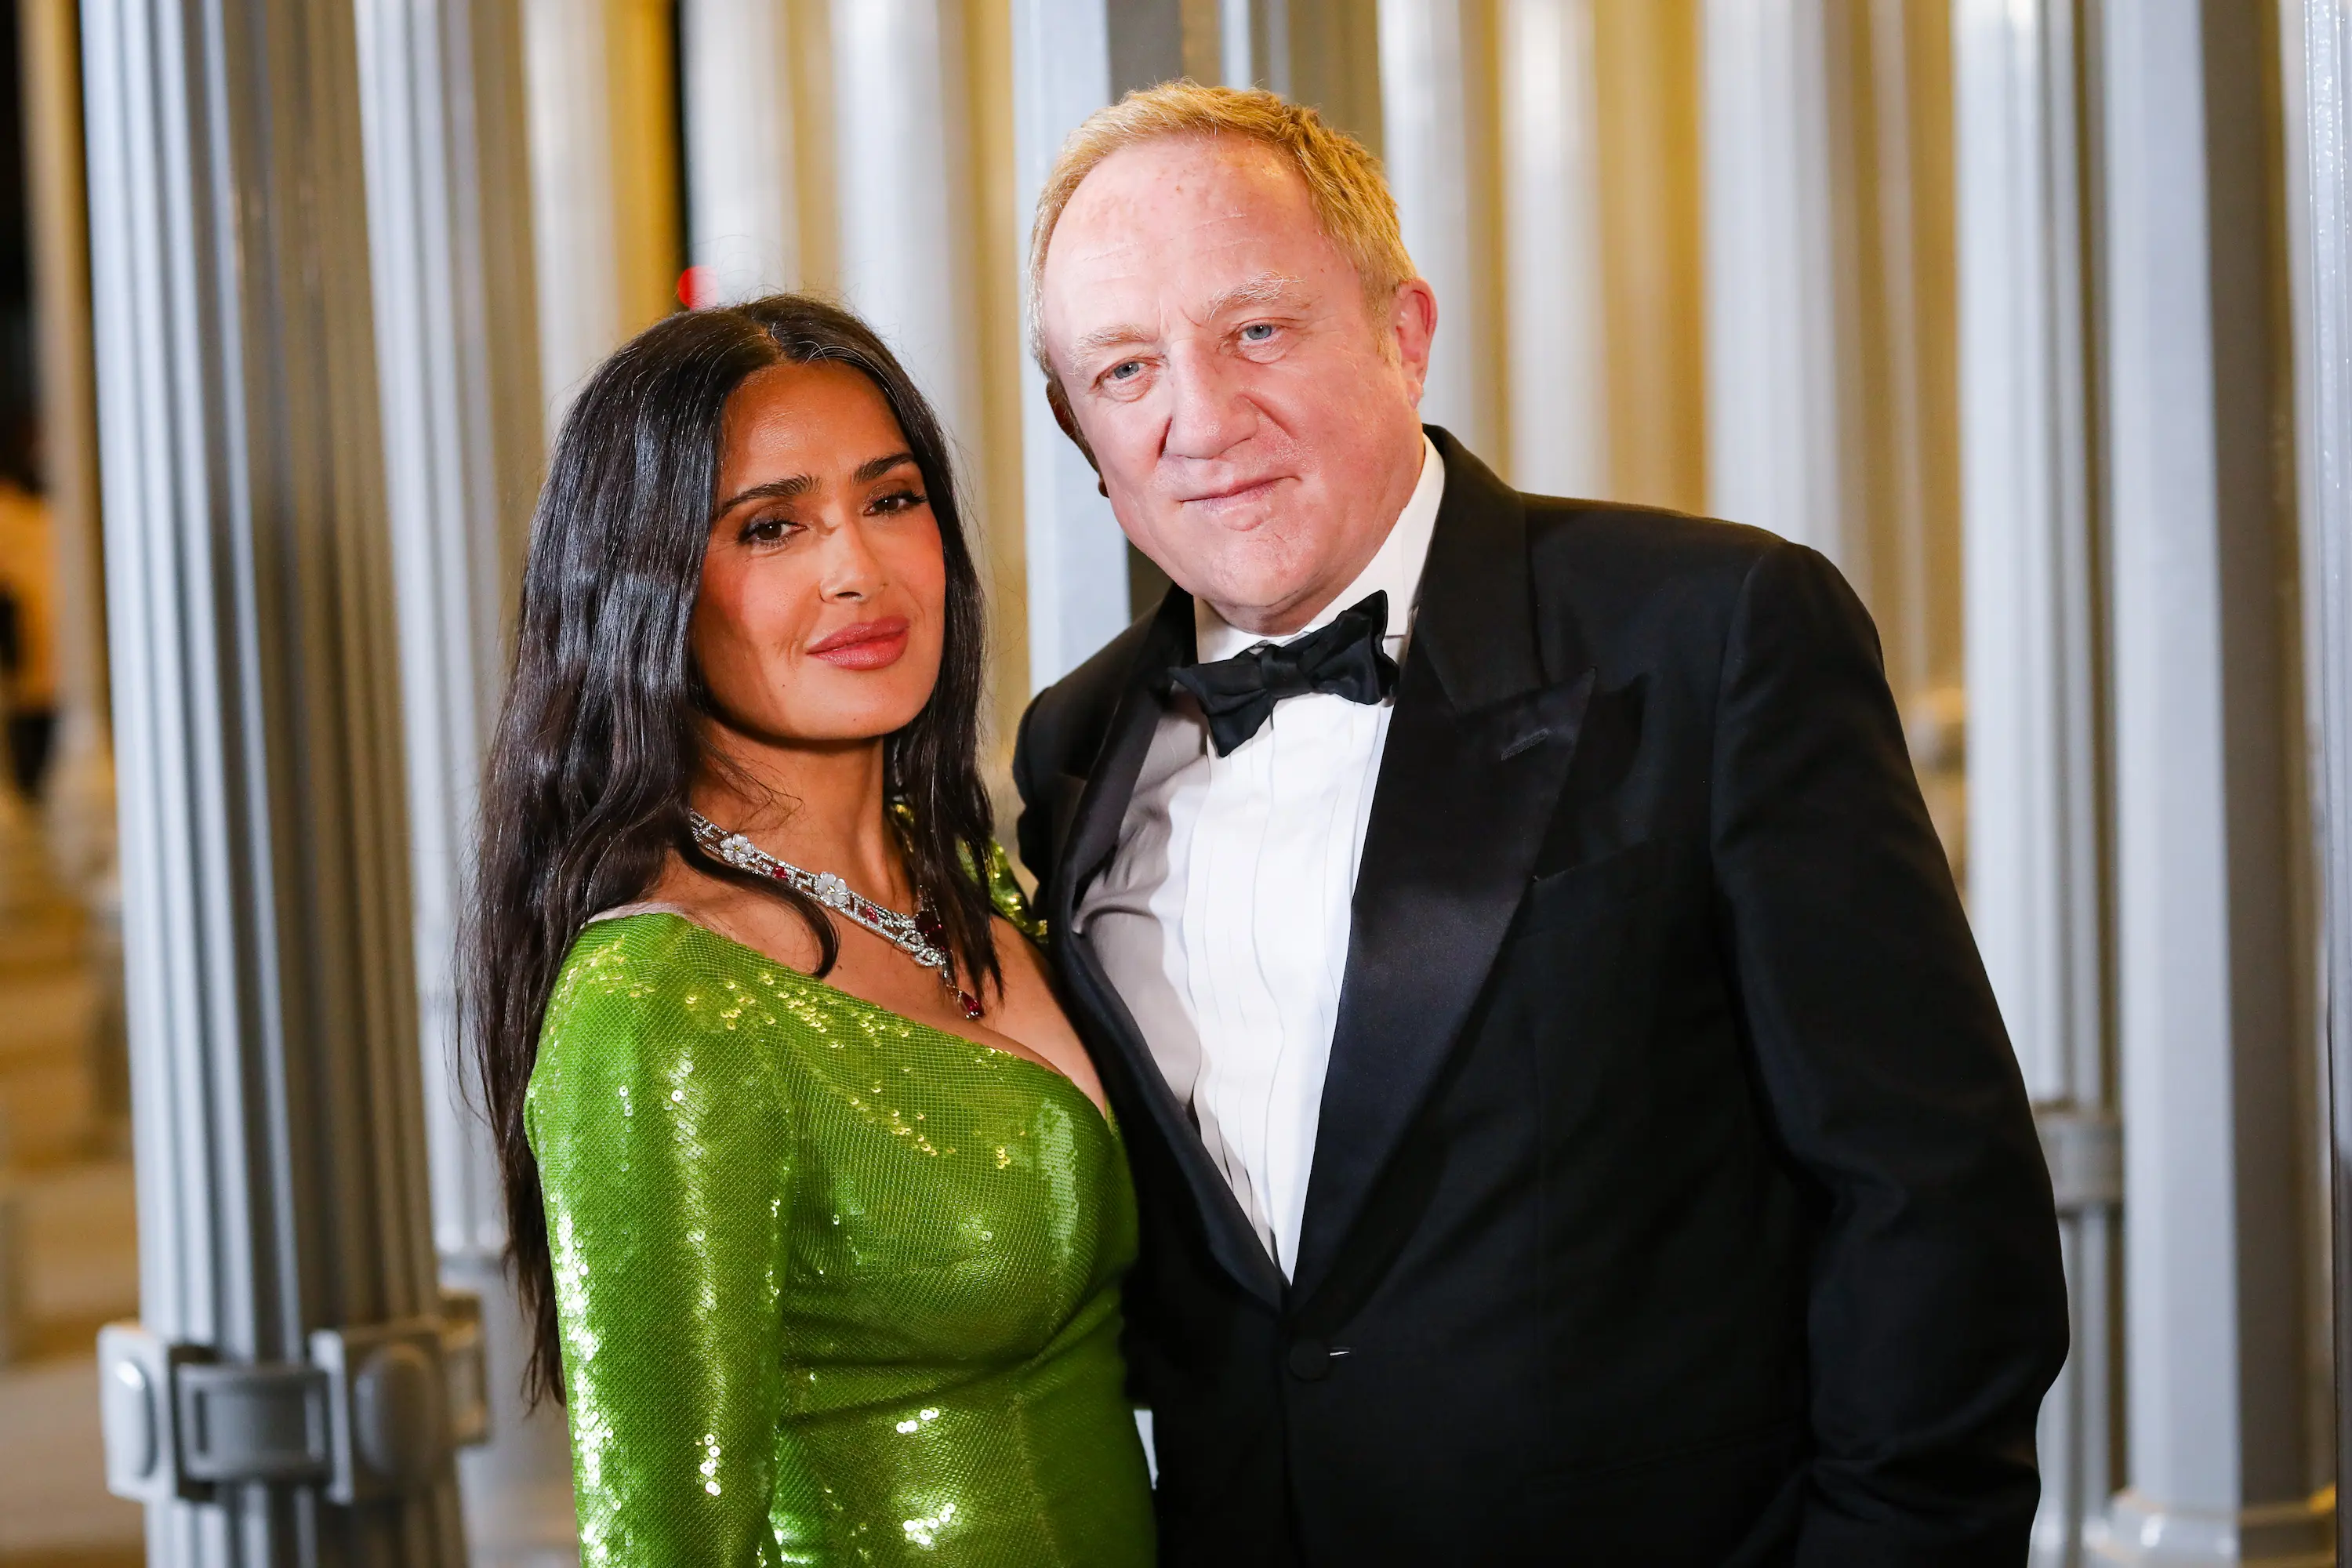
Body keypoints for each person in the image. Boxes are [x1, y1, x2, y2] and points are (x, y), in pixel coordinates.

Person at [1015, 83, 2069, 1564]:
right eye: (1126, 369)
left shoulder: (1714, 633)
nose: (1201, 415)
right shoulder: (1073, 745)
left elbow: (1936, 1206)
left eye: (1257, 329)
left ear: (1403, 329)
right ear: (1081, 430)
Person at [463, 295, 1154, 1565]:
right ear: (646, 585)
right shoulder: (664, 1003)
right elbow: (665, 1539)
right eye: (771, 526)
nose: (859, 569)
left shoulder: (971, 883)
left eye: (892, 500)